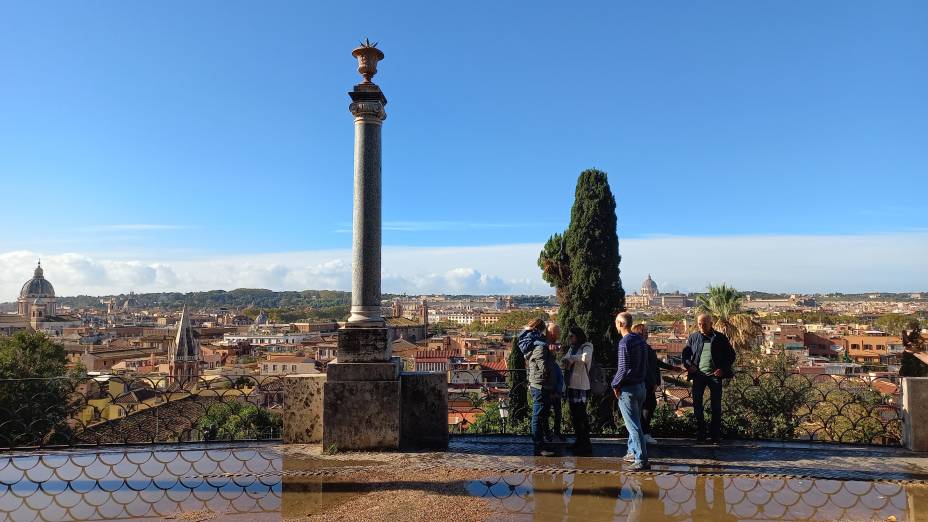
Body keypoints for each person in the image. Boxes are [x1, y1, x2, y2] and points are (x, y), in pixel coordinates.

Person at [681, 313, 737, 444]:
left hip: (714, 376)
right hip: (698, 376)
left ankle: (715, 435)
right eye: (699, 323)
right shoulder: (693, 337)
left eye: (704, 324)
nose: (701, 326)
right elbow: (685, 355)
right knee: (697, 406)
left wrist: (722, 369)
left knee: (716, 406)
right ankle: (701, 433)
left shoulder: (720, 338)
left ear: (711, 324)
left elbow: (731, 356)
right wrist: (689, 366)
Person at [632, 323, 684, 444]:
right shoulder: (643, 348)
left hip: (647, 382)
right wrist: (653, 382)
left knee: (647, 407)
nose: (647, 333)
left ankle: (643, 433)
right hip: (646, 383)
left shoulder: (643, 347)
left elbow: (655, 363)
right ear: (639, 333)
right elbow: (647, 367)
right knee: (648, 407)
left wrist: (672, 368)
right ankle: (644, 434)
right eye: (645, 331)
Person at [611, 312, 650, 470]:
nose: (615, 326)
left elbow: (623, 368)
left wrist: (614, 384)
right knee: (636, 423)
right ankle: (632, 452)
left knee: (633, 426)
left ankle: (641, 460)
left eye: (616, 323)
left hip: (628, 389)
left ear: (621, 324)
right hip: (641, 386)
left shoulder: (624, 343)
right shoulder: (640, 340)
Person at [518, 319, 559, 456]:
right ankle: (538, 446)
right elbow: (542, 364)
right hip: (540, 385)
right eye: (556, 333)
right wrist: (547, 376)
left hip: (542, 384)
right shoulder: (541, 346)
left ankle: (541, 443)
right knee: (538, 415)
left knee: (541, 415)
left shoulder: (541, 343)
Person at [563, 326, 594, 454]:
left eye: (572, 336)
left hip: (581, 386)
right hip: (571, 385)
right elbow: (565, 359)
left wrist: (571, 358)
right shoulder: (572, 348)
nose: (570, 338)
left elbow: (585, 358)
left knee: (581, 416)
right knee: (575, 416)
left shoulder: (587, 346)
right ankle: (579, 440)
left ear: (578, 336)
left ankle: (585, 443)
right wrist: (567, 359)